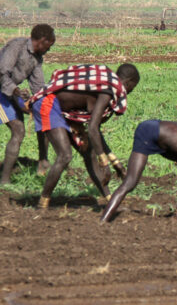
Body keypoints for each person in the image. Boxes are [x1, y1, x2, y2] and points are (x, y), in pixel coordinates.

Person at [28, 63, 140, 208]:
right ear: (128, 82)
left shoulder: (107, 86)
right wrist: (104, 163)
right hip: (48, 103)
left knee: (89, 153)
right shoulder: (108, 91)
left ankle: (109, 199)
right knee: (65, 155)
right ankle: (42, 203)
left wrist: (115, 162)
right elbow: (92, 128)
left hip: (65, 112)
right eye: (132, 87)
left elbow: (96, 131)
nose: (130, 91)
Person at [0, 24, 56, 183]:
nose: (49, 49)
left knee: (40, 111)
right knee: (18, 130)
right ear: (42, 41)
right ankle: (4, 181)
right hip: (2, 90)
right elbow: (2, 72)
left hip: (9, 93)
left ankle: (43, 161)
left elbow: (38, 86)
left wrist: (43, 100)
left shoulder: (37, 58)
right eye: (49, 45)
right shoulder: (17, 46)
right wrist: (16, 91)